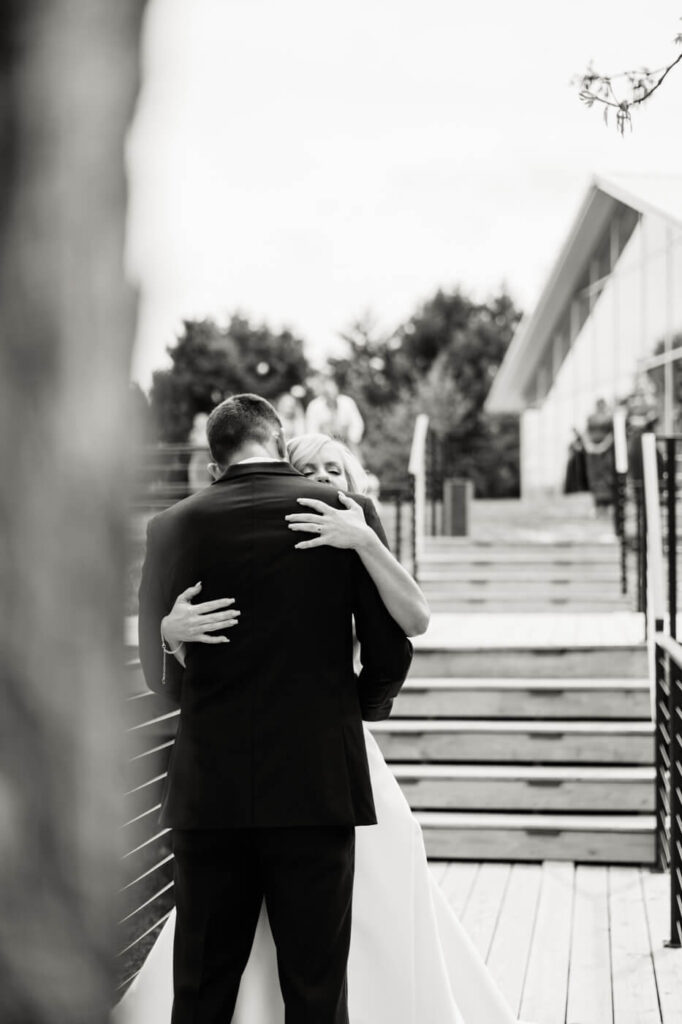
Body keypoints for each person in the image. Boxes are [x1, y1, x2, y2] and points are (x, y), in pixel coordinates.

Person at [116, 428, 527, 1024]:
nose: (323, 482)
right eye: (311, 470)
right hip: (317, 771)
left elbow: (412, 620)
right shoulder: (323, 520)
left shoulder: (348, 527)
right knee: (310, 977)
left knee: (221, 975)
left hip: (259, 771)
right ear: (286, 466)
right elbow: (389, 653)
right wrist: (352, 705)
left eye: (334, 471)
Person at [135, 396, 413, 1024]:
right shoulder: (343, 513)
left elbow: (160, 676)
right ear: (281, 443)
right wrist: (356, 707)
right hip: (317, 783)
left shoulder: (172, 525)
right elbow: (390, 648)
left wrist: (190, 677)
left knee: (203, 988)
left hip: (210, 791)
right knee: (316, 990)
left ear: (213, 464)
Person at [304, 375, 364, 454]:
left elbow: (357, 424)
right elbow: (311, 430)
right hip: (322, 446)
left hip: (347, 444)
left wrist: (351, 438)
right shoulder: (314, 406)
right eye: (327, 393)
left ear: (337, 389)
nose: (331, 396)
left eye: (333, 392)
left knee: (357, 461)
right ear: (323, 393)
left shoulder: (348, 402)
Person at [582, 397, 615, 516]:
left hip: (605, 452)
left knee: (607, 477)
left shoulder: (609, 418)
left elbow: (612, 434)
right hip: (592, 453)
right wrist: (589, 446)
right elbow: (586, 432)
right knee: (594, 477)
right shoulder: (591, 418)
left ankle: (608, 505)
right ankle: (597, 505)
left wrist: (602, 446)